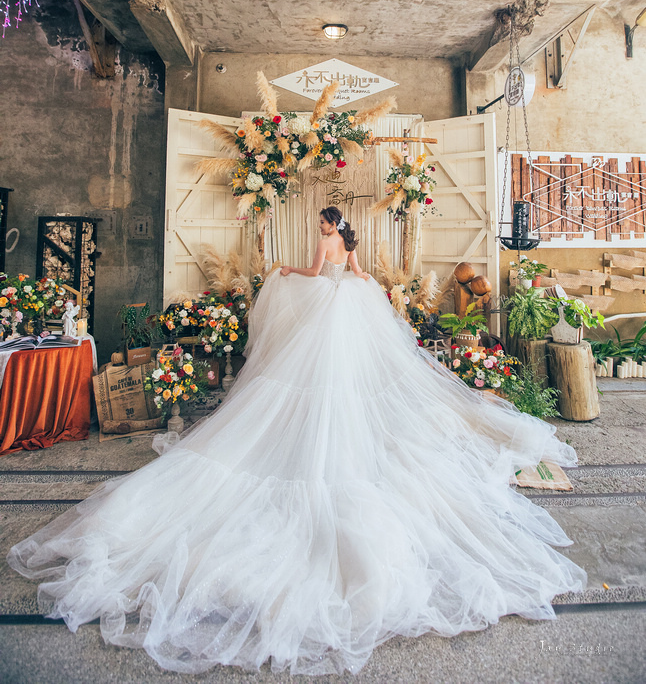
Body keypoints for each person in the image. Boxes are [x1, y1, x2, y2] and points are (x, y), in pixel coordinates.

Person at [7, 206, 587, 676]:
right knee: (345, 384)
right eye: (326, 229)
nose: (324, 233)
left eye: (325, 228)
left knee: (307, 381)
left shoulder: (324, 245)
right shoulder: (351, 251)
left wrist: (287, 272)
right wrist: (355, 288)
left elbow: (317, 274)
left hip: (329, 310)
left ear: (330, 228)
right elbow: (359, 278)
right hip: (353, 308)